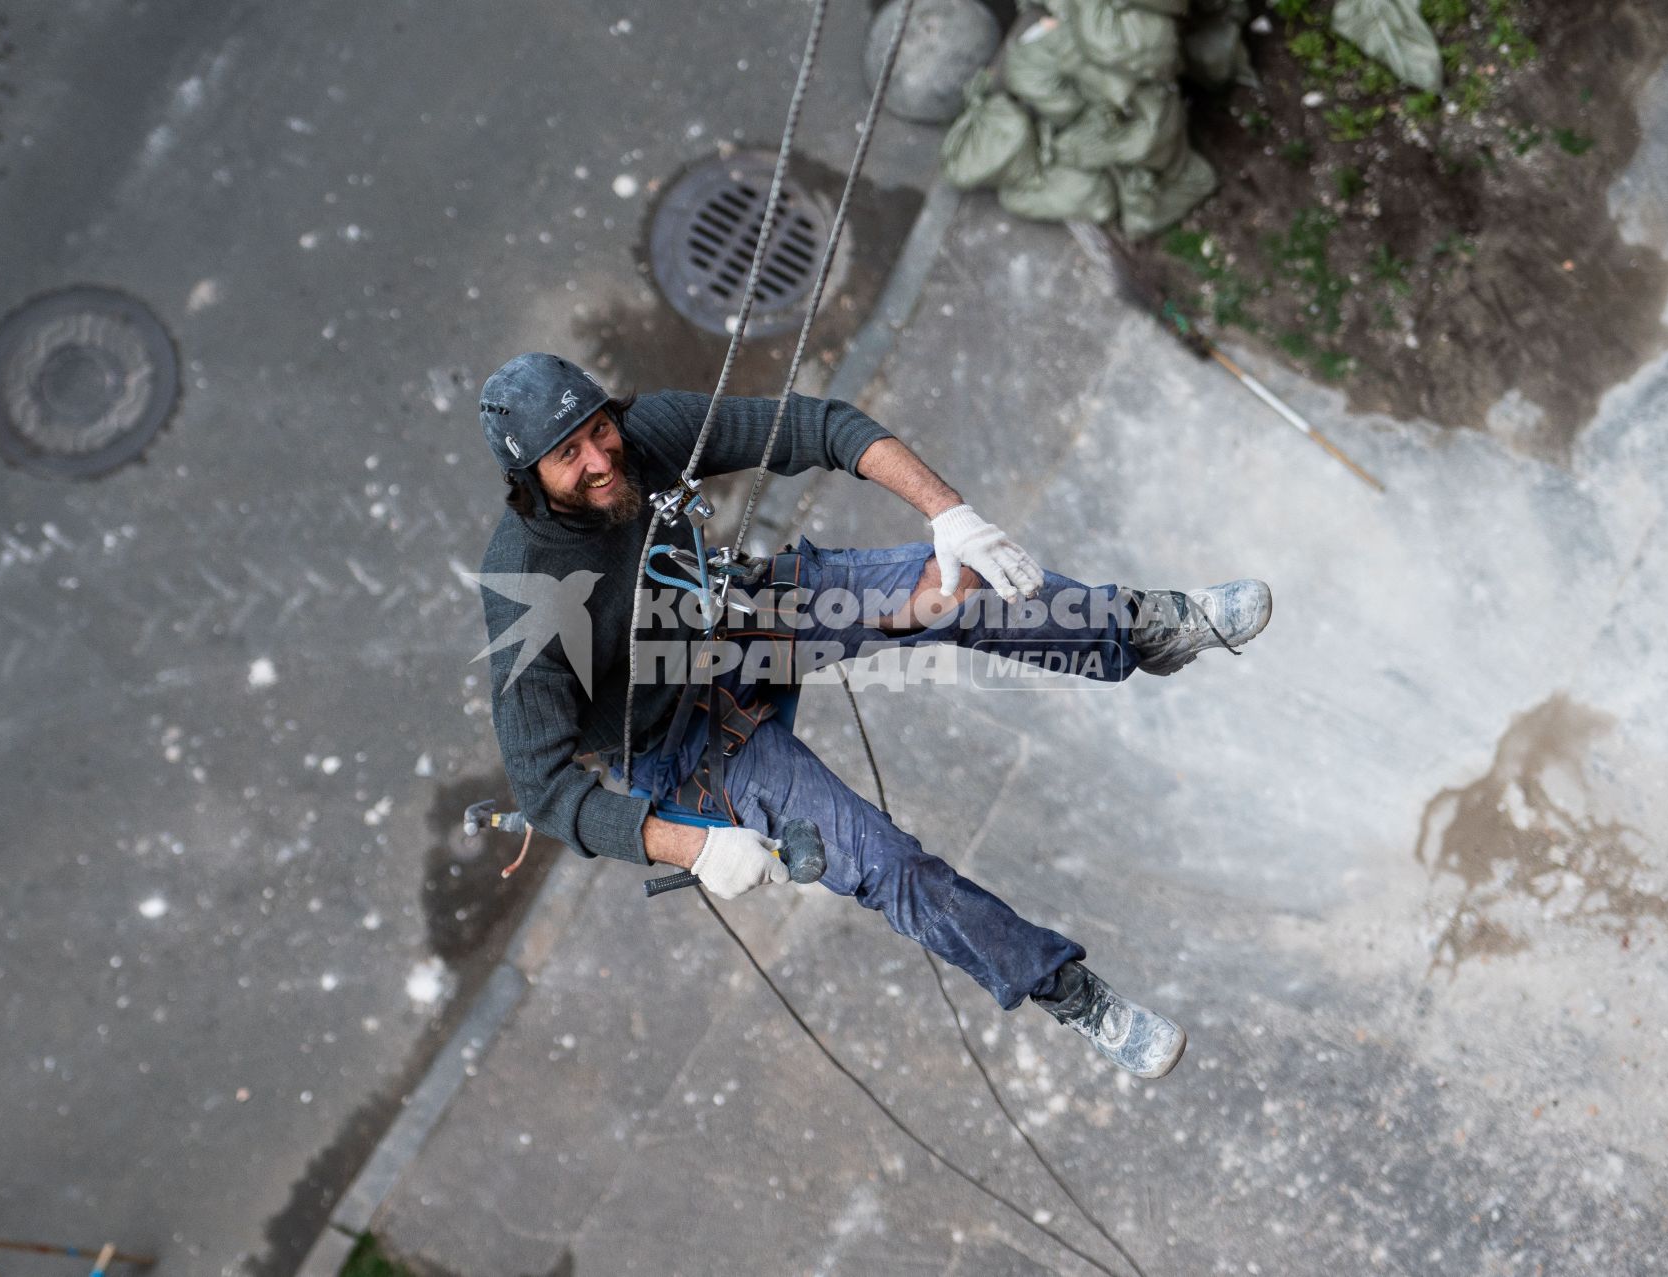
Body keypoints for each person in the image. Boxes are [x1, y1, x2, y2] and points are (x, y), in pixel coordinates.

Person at [474, 353, 1271, 1078]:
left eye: (599, 430)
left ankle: (1142, 629)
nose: (601, 458)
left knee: (959, 584)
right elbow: (543, 789)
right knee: (887, 862)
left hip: (743, 616)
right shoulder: (528, 585)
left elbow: (819, 427)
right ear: (528, 477)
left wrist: (948, 512)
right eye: (568, 454)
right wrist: (693, 846)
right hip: (681, 747)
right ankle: (1065, 988)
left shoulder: (648, 436)